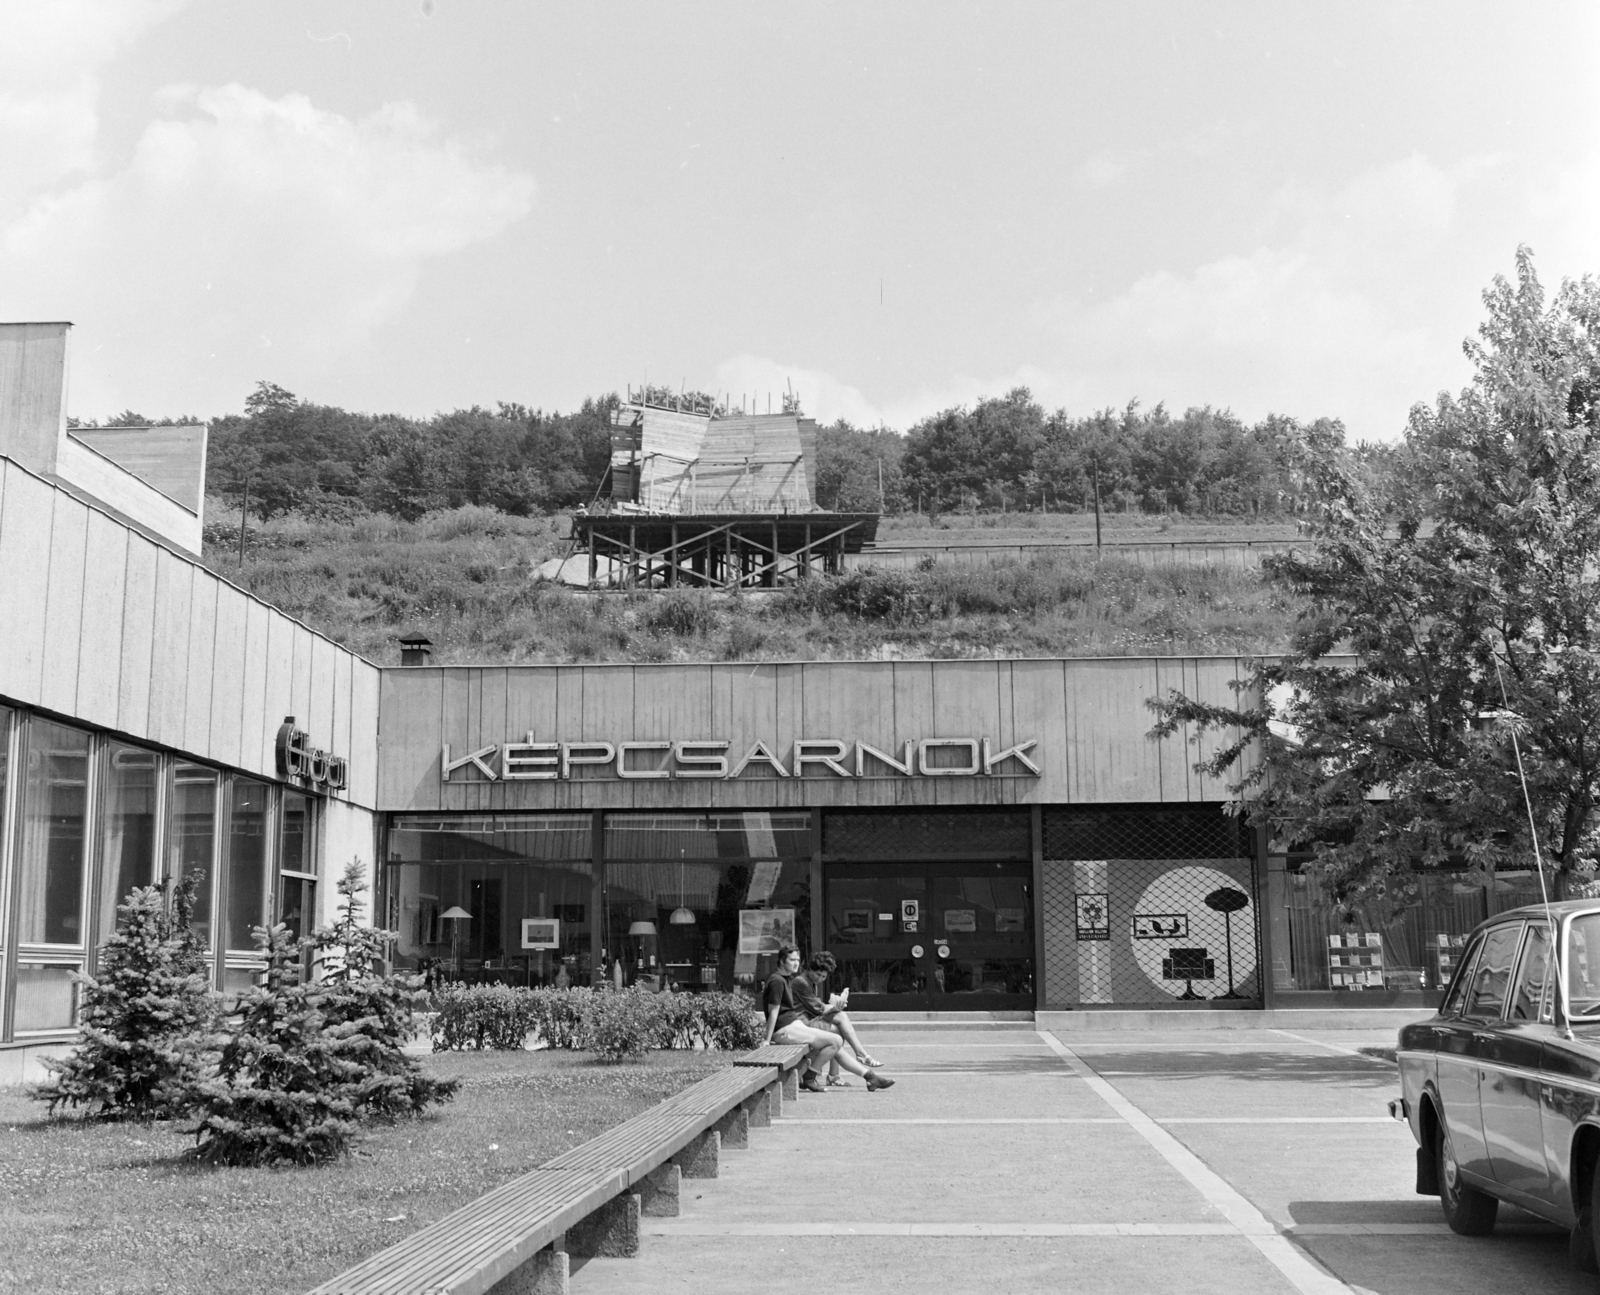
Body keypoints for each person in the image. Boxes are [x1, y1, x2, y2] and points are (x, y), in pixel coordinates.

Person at [763, 945, 894, 1092]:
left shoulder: (786, 979)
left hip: (795, 1026)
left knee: (835, 1038)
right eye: (792, 960)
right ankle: (812, 1076)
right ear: (782, 961)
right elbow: (773, 1012)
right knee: (836, 1037)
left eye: (798, 960)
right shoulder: (779, 981)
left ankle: (869, 1076)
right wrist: (767, 1040)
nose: (796, 963)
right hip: (787, 1029)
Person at [793, 951, 882, 1084]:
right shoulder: (802, 982)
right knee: (839, 1019)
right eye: (818, 975)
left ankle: (837, 1073)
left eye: (823, 976)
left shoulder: (809, 981)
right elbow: (818, 1008)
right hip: (801, 1024)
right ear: (810, 969)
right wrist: (835, 1007)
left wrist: (834, 1007)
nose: (820, 979)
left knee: (837, 1027)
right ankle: (858, 1057)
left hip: (806, 1020)